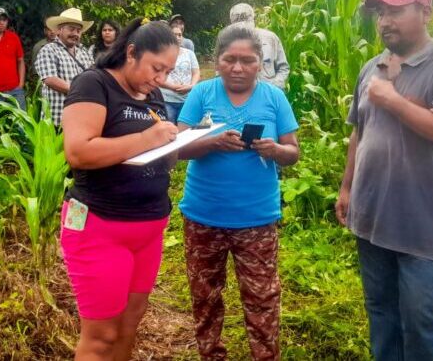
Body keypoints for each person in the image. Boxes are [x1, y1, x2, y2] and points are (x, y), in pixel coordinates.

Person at [335, 0, 433, 361]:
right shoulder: (372, 67)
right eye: (381, 12)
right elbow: (359, 132)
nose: (385, 21)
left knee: (419, 323)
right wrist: (346, 188)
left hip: (422, 227)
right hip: (370, 219)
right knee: (381, 313)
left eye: (396, 10)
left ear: (426, 13)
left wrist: (393, 100)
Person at [177, 25, 299, 360]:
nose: (238, 67)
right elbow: (178, 147)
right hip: (203, 216)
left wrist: (274, 149)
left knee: (262, 298)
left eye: (247, 60)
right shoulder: (202, 94)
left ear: (260, 62)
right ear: (216, 61)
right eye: (229, 59)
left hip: (257, 218)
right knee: (205, 296)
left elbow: (293, 151)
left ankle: (265, 356)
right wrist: (212, 142)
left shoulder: (274, 98)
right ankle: (211, 354)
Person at [60, 18, 180, 360]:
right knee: (101, 336)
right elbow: (79, 151)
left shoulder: (152, 94)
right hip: (100, 227)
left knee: (130, 324)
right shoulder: (93, 84)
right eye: (157, 68)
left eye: (168, 72)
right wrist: (146, 139)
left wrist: (173, 144)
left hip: (148, 230)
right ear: (131, 52)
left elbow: (154, 153)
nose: (161, 79)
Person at [34, 8, 95, 126]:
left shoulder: (84, 52)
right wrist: (81, 91)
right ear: (59, 30)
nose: (75, 33)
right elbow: (50, 79)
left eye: (78, 30)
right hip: (57, 119)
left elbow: (94, 77)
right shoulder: (48, 50)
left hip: (82, 119)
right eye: (71, 29)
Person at [228, 3, 289, 91]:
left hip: (269, 96)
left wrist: (274, 88)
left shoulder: (270, 38)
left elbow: (283, 68)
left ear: (253, 21)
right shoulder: (226, 44)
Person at [159, 22, 200, 122]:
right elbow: (158, 77)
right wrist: (173, 87)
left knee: (186, 131)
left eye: (180, 35)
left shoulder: (189, 54)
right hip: (167, 100)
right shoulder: (161, 54)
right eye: (174, 35)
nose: (177, 37)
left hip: (187, 100)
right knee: (169, 132)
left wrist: (191, 86)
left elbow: (196, 72)